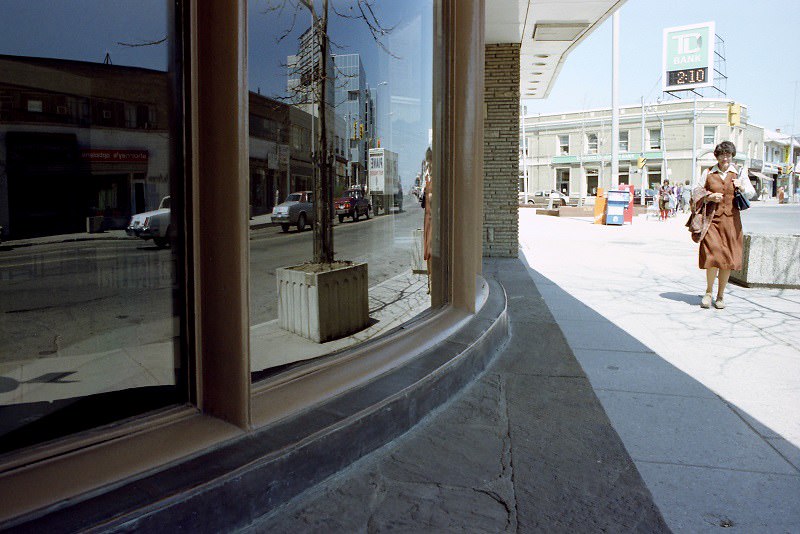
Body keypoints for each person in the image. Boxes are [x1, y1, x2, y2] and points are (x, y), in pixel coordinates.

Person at [696, 141, 755, 309]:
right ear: (717, 156)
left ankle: (721, 295)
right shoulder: (708, 172)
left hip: (731, 221)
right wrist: (709, 197)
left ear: (732, 156)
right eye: (722, 155)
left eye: (728, 155)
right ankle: (708, 293)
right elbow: (696, 192)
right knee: (713, 255)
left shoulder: (739, 173)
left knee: (727, 259)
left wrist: (742, 187)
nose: (725, 158)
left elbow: (752, 193)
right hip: (713, 221)